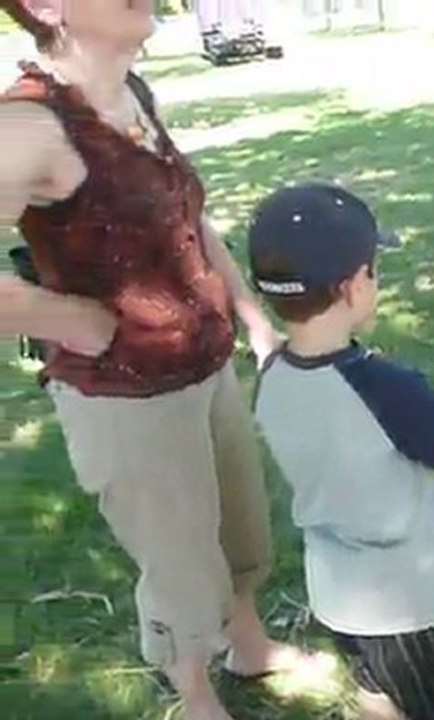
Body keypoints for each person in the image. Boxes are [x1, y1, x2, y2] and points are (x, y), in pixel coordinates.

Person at [0, 3, 314, 719]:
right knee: (178, 564)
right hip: (126, 395)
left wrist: (251, 316)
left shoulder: (133, 93)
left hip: (205, 363)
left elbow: (185, 218)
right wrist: (66, 319)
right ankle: (195, 693)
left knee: (242, 527)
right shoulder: (26, 125)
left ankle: (250, 643)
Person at [247, 181, 434, 720]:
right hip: (407, 604)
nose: (375, 281)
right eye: (373, 271)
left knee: (376, 688)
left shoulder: (272, 375)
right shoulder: (385, 388)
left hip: (334, 590)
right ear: (351, 287)